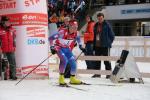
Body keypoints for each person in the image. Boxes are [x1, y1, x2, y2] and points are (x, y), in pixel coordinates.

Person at [49, 20, 85, 85]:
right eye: (74, 27)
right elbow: (51, 38)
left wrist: (81, 46)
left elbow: (79, 39)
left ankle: (72, 78)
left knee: (73, 62)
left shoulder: (76, 33)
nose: (75, 29)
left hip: (66, 48)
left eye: (76, 27)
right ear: (70, 26)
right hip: (59, 47)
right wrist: (52, 47)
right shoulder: (62, 32)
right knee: (64, 60)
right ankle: (61, 78)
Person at [93, 13, 115, 78]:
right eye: (99, 18)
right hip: (97, 46)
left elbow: (112, 36)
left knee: (106, 60)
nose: (100, 19)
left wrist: (108, 43)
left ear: (103, 18)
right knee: (97, 60)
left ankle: (108, 74)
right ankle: (97, 74)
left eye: (101, 18)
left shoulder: (107, 25)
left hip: (105, 46)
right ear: (97, 18)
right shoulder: (96, 25)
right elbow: (94, 35)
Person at [0, 16, 17, 80]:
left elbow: (14, 39)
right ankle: (4, 76)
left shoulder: (12, 29)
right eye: (6, 22)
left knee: (13, 62)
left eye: (8, 22)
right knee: (4, 63)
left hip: (11, 49)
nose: (8, 23)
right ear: (2, 22)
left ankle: (13, 75)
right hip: (2, 49)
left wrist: (14, 46)